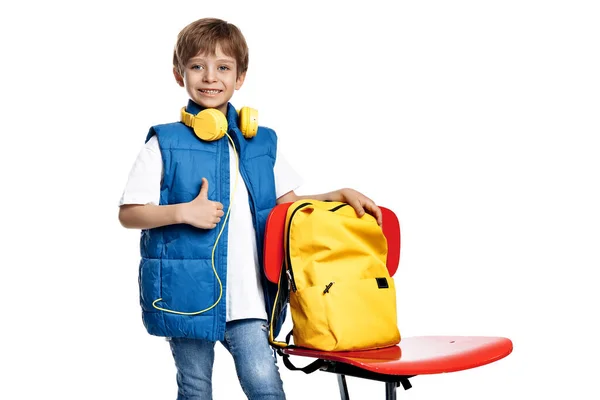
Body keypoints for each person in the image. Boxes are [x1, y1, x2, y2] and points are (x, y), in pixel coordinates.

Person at [118, 17, 382, 400]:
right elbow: (129, 212)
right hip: (186, 295)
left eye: (223, 67)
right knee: (194, 387)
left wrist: (335, 195)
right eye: (197, 66)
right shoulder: (164, 142)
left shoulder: (261, 143)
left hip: (250, 297)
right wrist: (183, 212)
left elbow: (287, 207)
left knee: (264, 385)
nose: (211, 77)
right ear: (179, 75)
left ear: (240, 77)